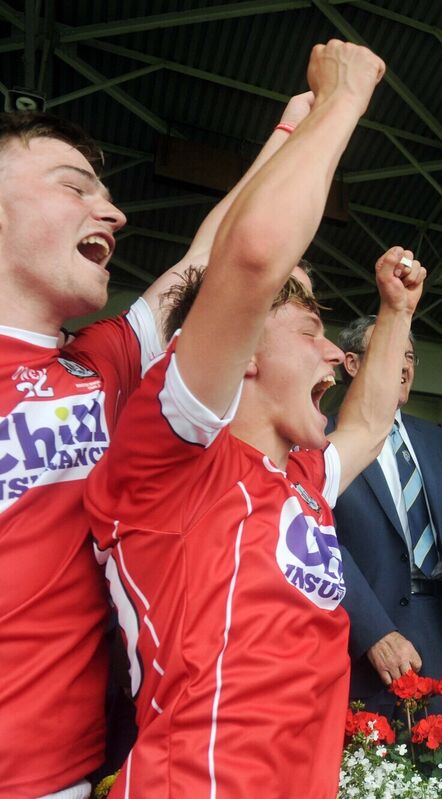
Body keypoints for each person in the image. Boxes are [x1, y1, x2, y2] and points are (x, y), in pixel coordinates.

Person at [84, 41, 406, 797]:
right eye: (310, 329)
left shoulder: (298, 479)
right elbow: (253, 257)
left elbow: (371, 422)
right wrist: (343, 99)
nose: (335, 352)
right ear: (246, 352)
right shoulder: (169, 456)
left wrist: (395, 314)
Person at [0, 92, 320, 798]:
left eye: (109, 193)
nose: (113, 212)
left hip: (68, 768)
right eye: (75, 186)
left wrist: (294, 126)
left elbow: (209, 259)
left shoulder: (100, 361)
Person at [333, 318, 442, 715]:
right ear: (351, 363)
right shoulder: (322, 440)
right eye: (392, 352)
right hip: (369, 634)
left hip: (440, 627)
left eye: (410, 355)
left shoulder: (431, 438)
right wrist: (372, 631)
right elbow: (322, 544)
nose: (405, 365)